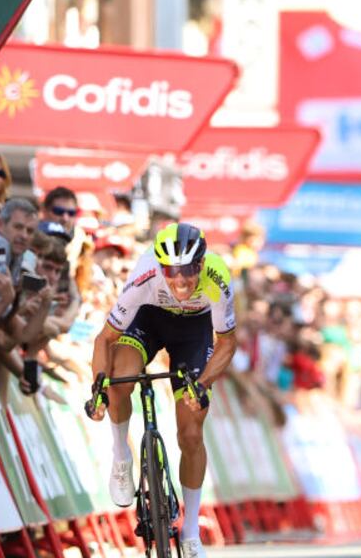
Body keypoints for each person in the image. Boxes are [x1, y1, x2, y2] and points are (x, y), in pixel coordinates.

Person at [87, 223, 236, 558]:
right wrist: (98, 387)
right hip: (148, 319)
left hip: (194, 331)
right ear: (160, 266)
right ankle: (121, 456)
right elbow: (105, 339)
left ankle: (191, 529)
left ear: (201, 264)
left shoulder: (218, 278)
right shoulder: (145, 276)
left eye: (187, 271)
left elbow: (227, 344)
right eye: (171, 271)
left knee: (192, 431)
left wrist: (201, 385)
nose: (180, 281)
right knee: (119, 379)